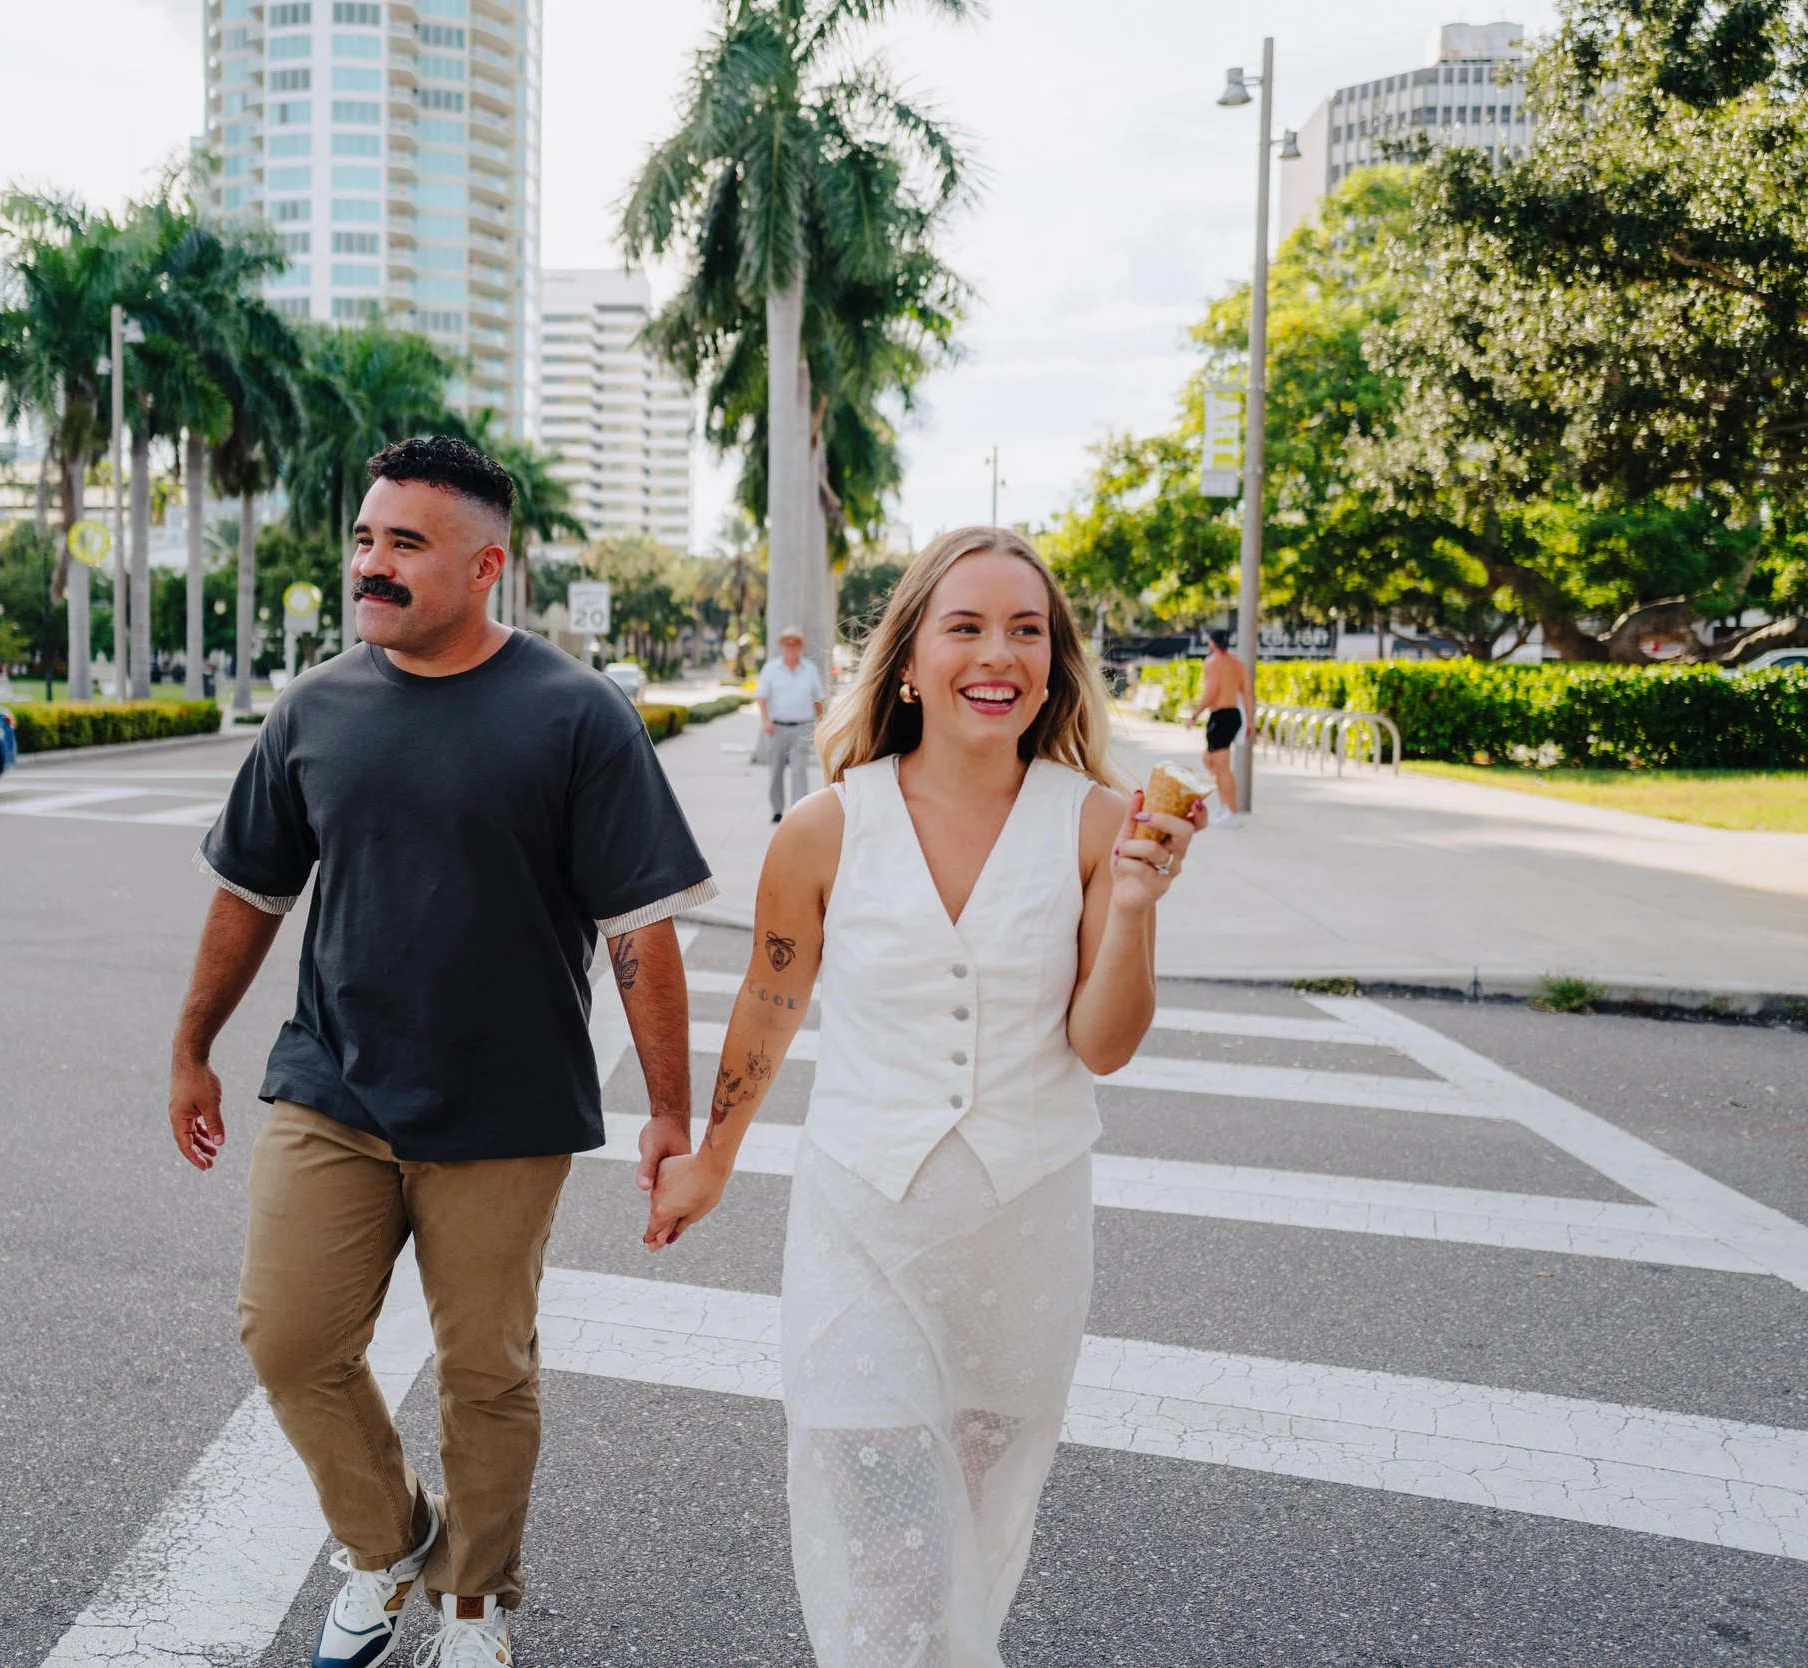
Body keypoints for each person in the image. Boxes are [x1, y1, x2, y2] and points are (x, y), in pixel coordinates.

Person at [168, 435, 715, 1668]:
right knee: (289, 1337)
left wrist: (671, 1112)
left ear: (486, 568)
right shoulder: (314, 705)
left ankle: (473, 1605)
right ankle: (392, 1542)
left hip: (505, 1110)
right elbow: (249, 892)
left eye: (404, 545)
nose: (372, 565)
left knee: (485, 1373)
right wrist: (191, 1045)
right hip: (331, 1085)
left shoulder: (575, 714)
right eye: (365, 539)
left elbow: (640, 930)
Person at [643, 525, 1202, 1668]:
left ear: (1052, 664)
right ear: (907, 661)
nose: (997, 654)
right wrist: (713, 1156)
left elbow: (1102, 1047)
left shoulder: (1097, 823)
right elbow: (769, 998)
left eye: (1025, 630)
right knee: (874, 1514)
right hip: (861, 1220)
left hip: (1023, 1223)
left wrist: (1136, 909)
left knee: (981, 1528)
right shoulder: (825, 827)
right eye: (965, 626)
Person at [759, 625, 826, 822]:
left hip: (802, 727)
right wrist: (765, 721)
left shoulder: (810, 670)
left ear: (800, 646)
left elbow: (818, 699)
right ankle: (777, 810)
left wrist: (820, 724)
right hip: (777, 727)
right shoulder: (771, 669)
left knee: (799, 771)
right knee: (775, 771)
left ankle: (799, 811)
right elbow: (762, 697)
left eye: (795, 643)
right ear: (781, 646)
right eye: (787, 643)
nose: (791, 647)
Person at [1190, 626, 1250, 824]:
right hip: (1233, 715)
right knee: (1210, 760)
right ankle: (1226, 806)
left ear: (1212, 644)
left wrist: (1194, 714)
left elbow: (1211, 693)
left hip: (1221, 716)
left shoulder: (1212, 663)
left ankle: (1232, 812)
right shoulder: (1239, 665)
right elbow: (1247, 694)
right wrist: (1249, 721)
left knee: (1222, 767)